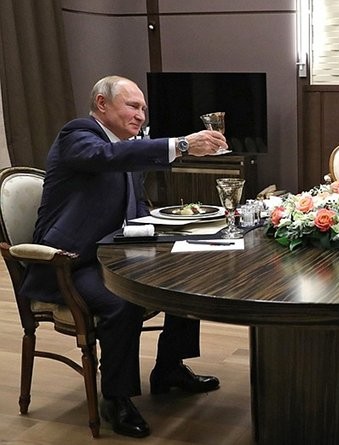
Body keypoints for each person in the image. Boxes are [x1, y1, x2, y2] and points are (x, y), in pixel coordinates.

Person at [19, 75, 228, 438]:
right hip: (71, 262)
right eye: (133, 106)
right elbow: (106, 158)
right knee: (122, 302)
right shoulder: (79, 135)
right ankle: (115, 398)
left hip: (116, 253)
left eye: (144, 109)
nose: (141, 116)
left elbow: (135, 207)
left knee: (182, 276)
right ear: (102, 104)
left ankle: (169, 368)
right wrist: (180, 144)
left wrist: (173, 234)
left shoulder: (124, 146)